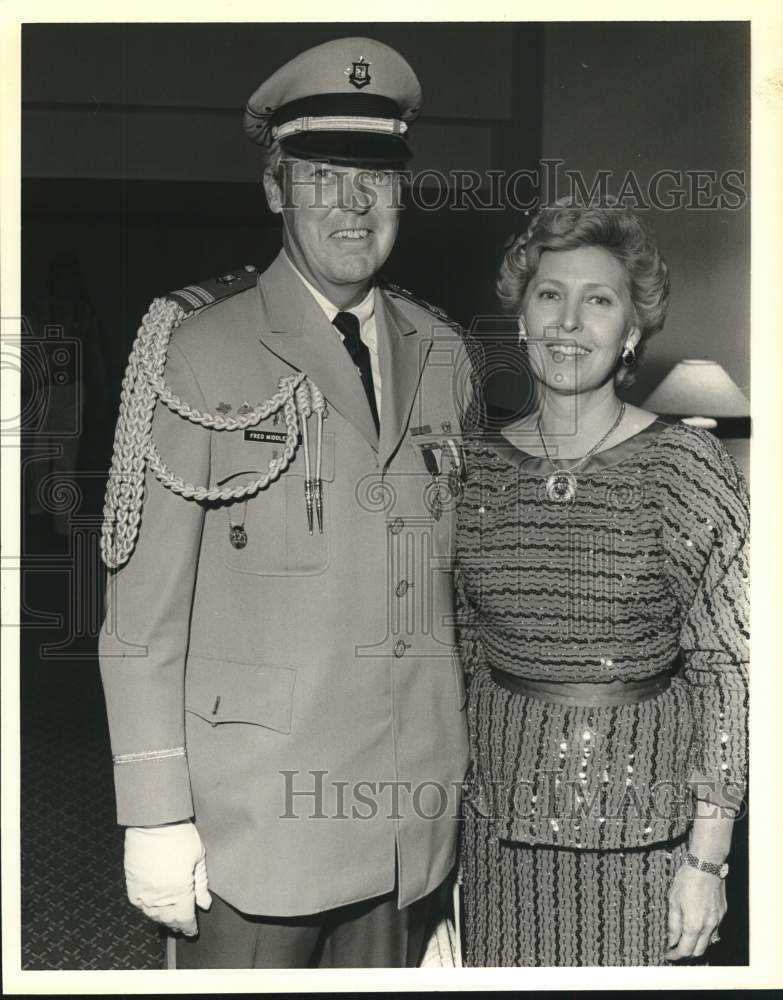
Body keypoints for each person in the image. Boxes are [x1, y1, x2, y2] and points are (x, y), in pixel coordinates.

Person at [98, 37, 478, 969]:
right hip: (255, 831)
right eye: (322, 177)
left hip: (405, 827)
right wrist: (155, 813)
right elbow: (141, 622)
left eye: (376, 177)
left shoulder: (446, 354)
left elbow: (451, 598)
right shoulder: (195, 350)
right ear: (276, 190)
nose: (353, 205)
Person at [455, 202, 749, 966]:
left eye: (599, 300)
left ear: (631, 333)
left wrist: (706, 861)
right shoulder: (474, 465)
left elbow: (729, 666)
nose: (568, 322)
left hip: (641, 842)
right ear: (520, 318)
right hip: (493, 836)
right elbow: (455, 650)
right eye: (549, 294)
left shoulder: (683, 466)